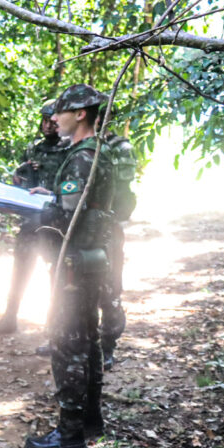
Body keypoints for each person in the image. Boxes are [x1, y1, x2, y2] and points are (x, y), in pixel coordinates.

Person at [24, 84, 115, 448]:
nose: (54, 118)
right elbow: (81, 204)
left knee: (68, 343)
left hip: (75, 262)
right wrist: (52, 197)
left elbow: (68, 217)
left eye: (60, 112)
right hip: (90, 259)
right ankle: (91, 423)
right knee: (88, 342)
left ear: (80, 114)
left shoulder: (81, 156)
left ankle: (70, 431)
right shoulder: (97, 152)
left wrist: (35, 209)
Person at [0, 100, 65, 336]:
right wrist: (18, 179)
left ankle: (54, 325)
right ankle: (10, 317)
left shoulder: (70, 150)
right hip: (30, 221)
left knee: (57, 275)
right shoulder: (33, 148)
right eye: (44, 121)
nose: (48, 126)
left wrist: (52, 192)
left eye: (52, 121)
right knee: (20, 270)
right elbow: (22, 179)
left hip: (55, 223)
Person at [96, 100, 136, 370]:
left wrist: (113, 223)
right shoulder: (79, 145)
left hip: (109, 229)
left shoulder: (120, 148)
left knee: (109, 288)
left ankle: (108, 345)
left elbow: (124, 195)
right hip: (81, 229)